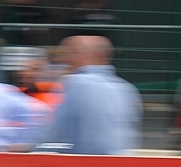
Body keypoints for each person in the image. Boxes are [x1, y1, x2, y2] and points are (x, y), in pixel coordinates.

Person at [12, 35, 140, 155]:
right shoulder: (125, 88)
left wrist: (30, 148)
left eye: (71, 53)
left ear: (95, 55)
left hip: (86, 163)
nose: (64, 59)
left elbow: (56, 130)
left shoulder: (76, 83)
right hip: (119, 160)